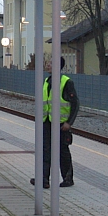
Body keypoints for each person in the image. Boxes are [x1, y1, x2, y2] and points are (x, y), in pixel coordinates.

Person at [31, 57, 79, 189]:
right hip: (47, 121)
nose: (47, 65)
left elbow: (75, 103)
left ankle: (68, 178)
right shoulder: (47, 81)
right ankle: (43, 179)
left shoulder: (66, 82)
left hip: (61, 124)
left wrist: (69, 122)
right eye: (48, 62)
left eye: (51, 63)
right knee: (45, 150)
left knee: (62, 151)